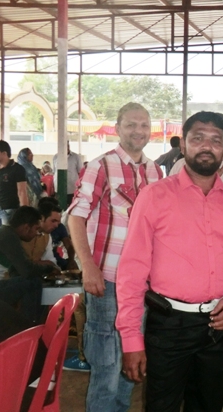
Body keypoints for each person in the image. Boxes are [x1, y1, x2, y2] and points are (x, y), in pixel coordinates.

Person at [116, 111, 223, 411]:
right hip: (169, 326)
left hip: (221, 326)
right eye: (198, 138)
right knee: (161, 406)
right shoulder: (154, 197)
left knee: (209, 405)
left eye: (215, 140)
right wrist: (131, 340)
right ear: (183, 145)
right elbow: (132, 272)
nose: (206, 146)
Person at [68, 102, 162, 412]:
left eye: (144, 125)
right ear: (118, 128)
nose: (138, 131)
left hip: (141, 285)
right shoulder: (101, 166)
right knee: (107, 367)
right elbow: (75, 217)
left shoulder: (154, 171)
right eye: (131, 124)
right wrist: (88, 267)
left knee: (130, 365)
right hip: (107, 281)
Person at [0, 206, 59, 324]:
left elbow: (17, 270)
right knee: (34, 282)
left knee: (32, 281)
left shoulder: (5, 233)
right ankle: (30, 327)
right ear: (26, 227)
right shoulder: (8, 236)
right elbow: (27, 270)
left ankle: (31, 325)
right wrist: (49, 268)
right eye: (36, 229)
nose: (37, 234)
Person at [0, 140, 28, 227]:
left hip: (10, 210)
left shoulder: (17, 169)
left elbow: (22, 192)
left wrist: (25, 212)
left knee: (7, 233)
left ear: (4, 153)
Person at [53, 140, 84, 206]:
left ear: (68, 146)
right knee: (59, 206)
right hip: (58, 188)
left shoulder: (76, 157)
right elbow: (54, 172)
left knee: (72, 206)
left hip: (72, 188)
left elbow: (80, 172)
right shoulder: (55, 157)